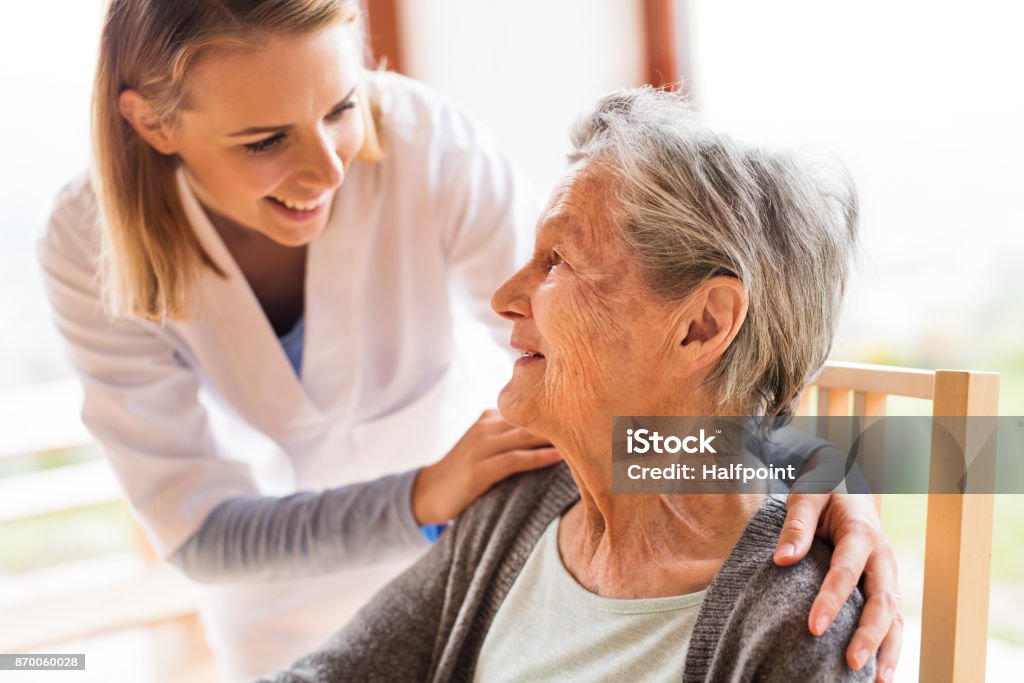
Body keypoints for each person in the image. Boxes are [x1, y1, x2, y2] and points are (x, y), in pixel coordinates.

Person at [38, 1, 900, 680]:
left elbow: (631, 353)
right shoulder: (513, 519)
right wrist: (427, 498)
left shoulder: (426, 148)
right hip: (322, 594)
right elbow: (204, 534)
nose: (332, 167)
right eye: (264, 140)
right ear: (154, 124)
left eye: (344, 107)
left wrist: (815, 463)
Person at [260, 88, 878, 682]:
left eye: (557, 261)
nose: (504, 298)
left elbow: (965, 455)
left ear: (700, 325)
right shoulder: (518, 502)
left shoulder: (800, 620)